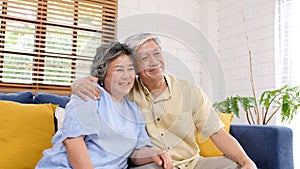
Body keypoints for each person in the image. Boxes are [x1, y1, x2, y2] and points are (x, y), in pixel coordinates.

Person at [71, 33, 257, 169]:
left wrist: (246, 161)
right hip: (156, 165)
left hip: (193, 164)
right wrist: (78, 84)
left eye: (157, 54)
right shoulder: (126, 91)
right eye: (144, 57)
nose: (154, 62)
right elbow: (103, 85)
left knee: (236, 166)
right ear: (135, 66)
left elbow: (218, 133)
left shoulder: (190, 91)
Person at [35, 41, 173, 169]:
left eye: (130, 69)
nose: (126, 76)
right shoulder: (89, 94)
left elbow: (136, 152)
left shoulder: (134, 110)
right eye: (119, 70)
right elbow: (73, 142)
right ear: (102, 73)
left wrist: (155, 153)